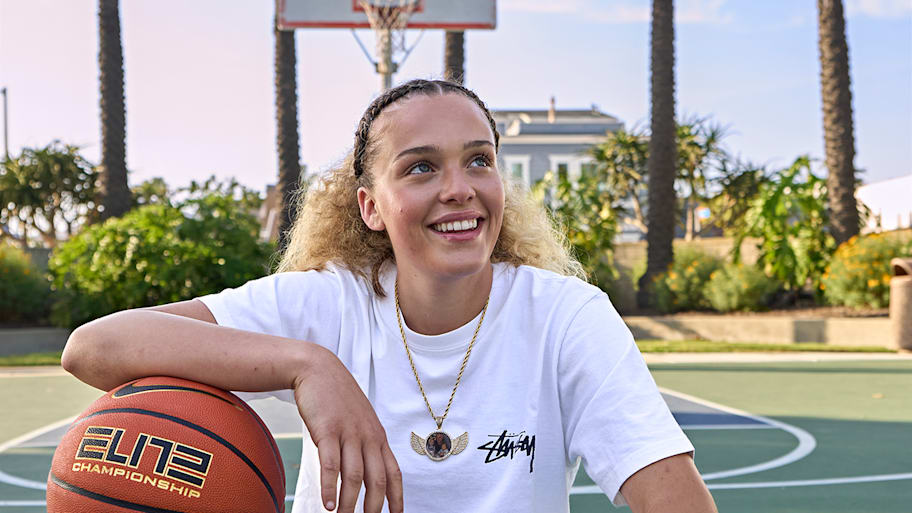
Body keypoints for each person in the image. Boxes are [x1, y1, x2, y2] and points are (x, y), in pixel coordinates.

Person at [62, 79, 717, 513]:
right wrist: (308, 365)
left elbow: (674, 497)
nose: (459, 188)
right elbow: (94, 347)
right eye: (421, 167)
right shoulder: (328, 305)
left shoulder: (566, 317)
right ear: (371, 207)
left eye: (479, 160)